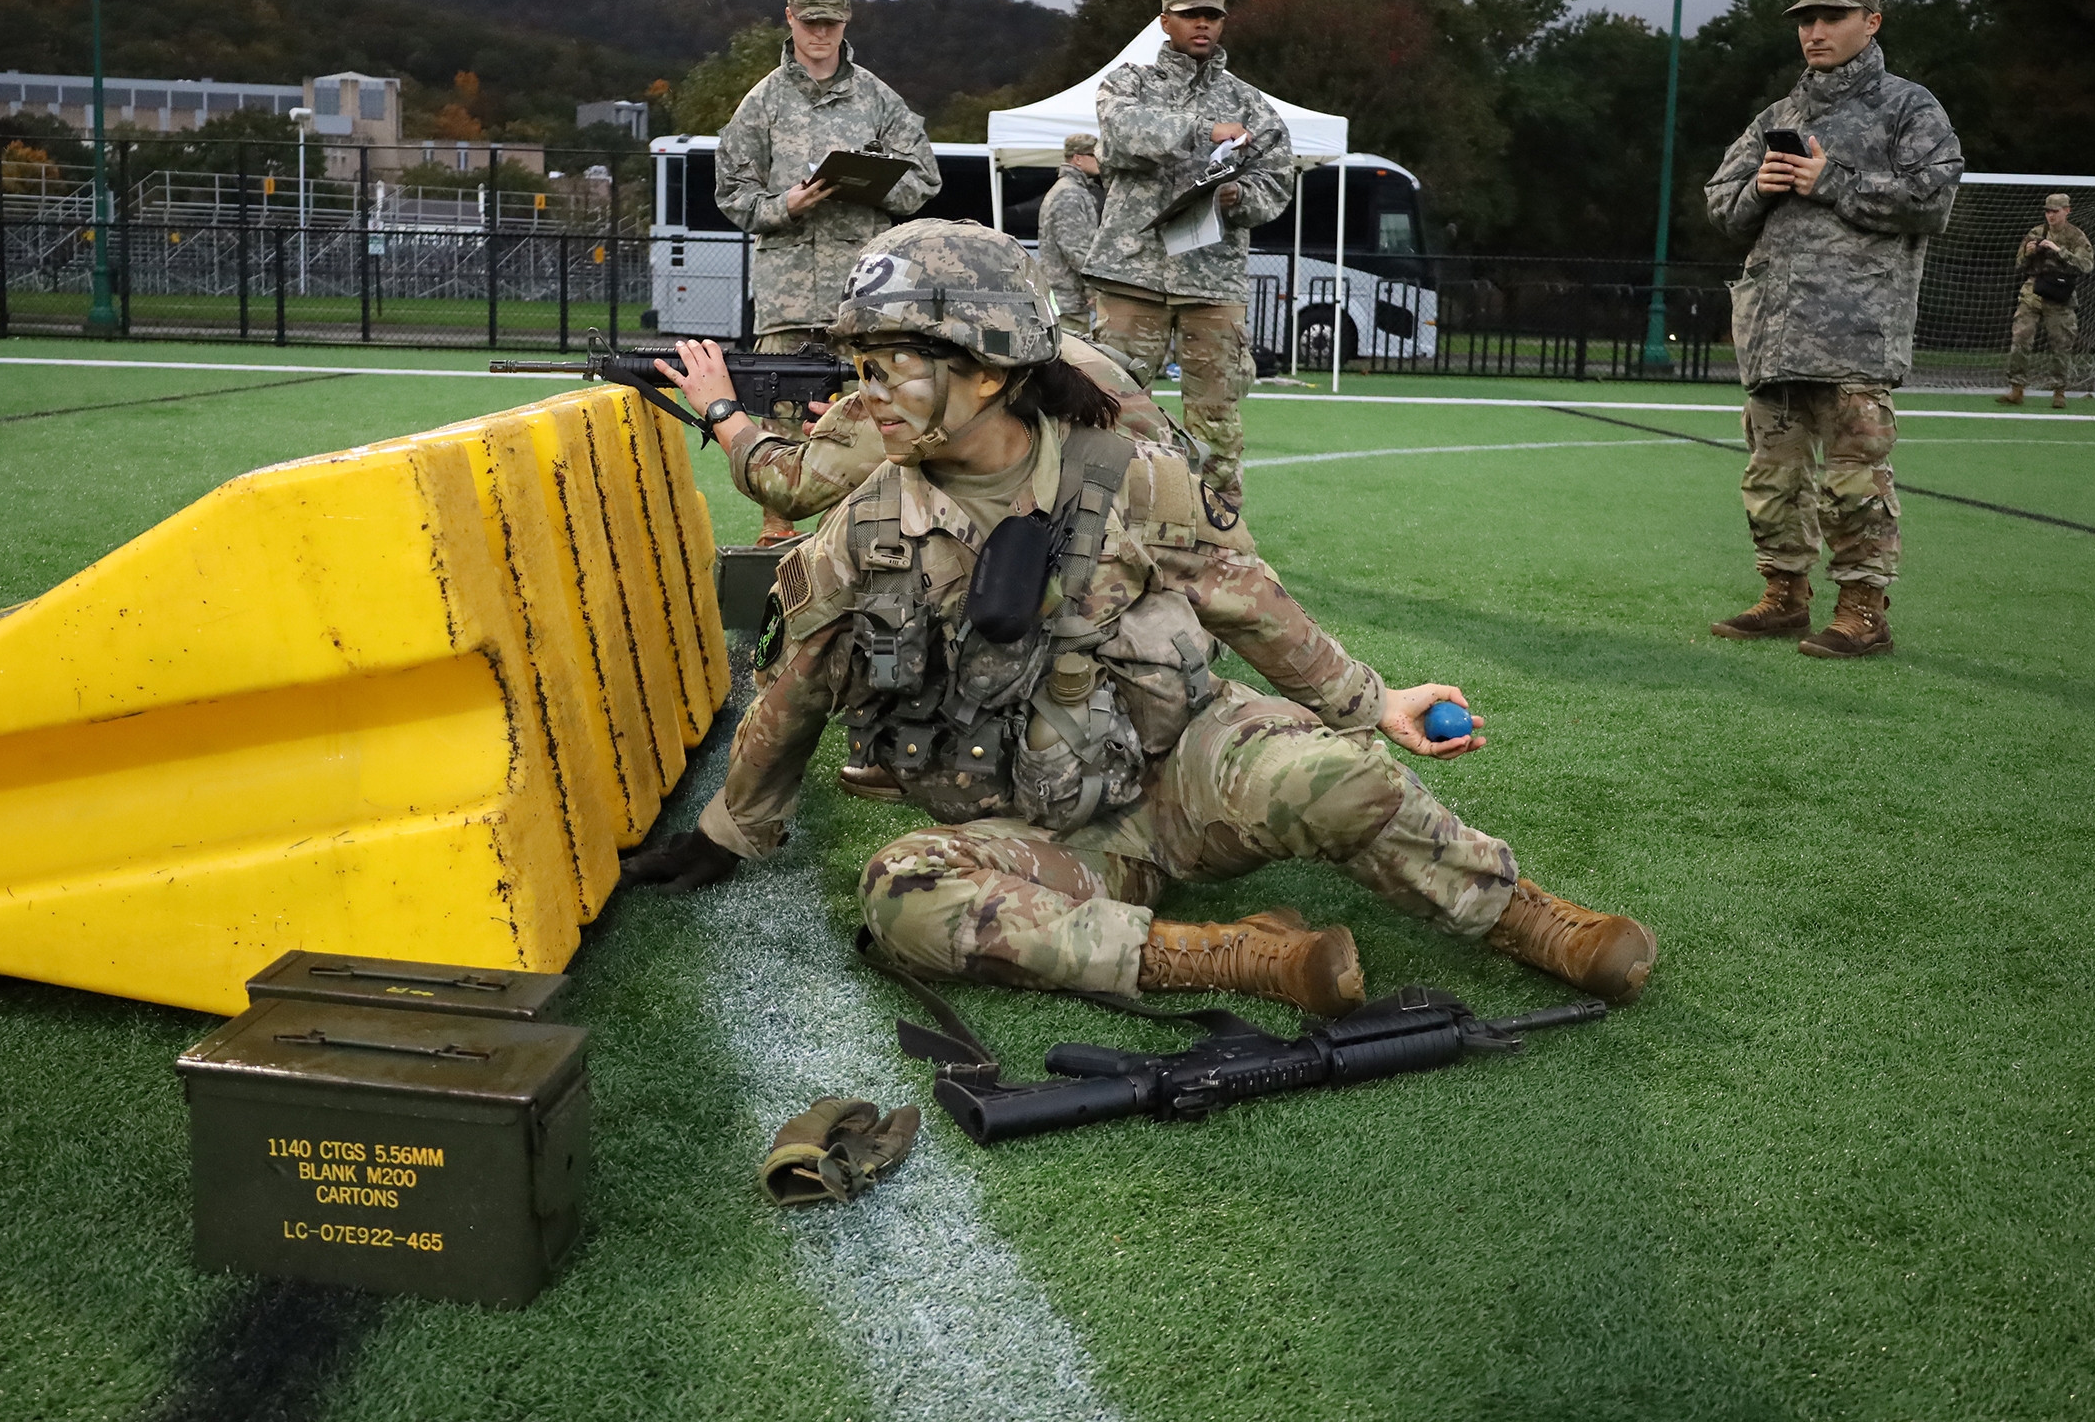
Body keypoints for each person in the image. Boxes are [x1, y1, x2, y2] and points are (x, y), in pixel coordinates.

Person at [621, 219, 1658, 1015]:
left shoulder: (1133, 479)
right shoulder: (864, 525)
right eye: (862, 364)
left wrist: (1371, 700)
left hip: (1184, 772)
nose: (864, 394)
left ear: (985, 367)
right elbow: (798, 681)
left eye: (891, 363)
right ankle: (1237, 955)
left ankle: (1524, 919)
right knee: (902, 892)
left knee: (1336, 779)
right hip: (1044, 831)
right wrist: (729, 829)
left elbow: (1252, 606)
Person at [1704, 0, 1963, 660]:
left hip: (1854, 333)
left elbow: (1933, 201)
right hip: (1774, 332)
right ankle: (1784, 598)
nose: (1814, 31)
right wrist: (1759, 186)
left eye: (1832, 17)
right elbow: (1720, 208)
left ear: (1871, 22)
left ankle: (1863, 611)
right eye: (1806, 20)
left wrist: (1832, 181)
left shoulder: (1910, 108)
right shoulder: (1778, 117)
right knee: (1771, 482)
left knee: (1853, 485)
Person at [716, 0, 941, 542]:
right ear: (789, 18)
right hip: (788, 299)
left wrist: (872, 183)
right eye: (809, 21)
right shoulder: (761, 103)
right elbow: (731, 193)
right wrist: (784, 204)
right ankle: (776, 540)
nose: (820, 33)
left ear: (847, 21)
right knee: (783, 422)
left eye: (831, 22)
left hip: (864, 296)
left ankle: (869, 537)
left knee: (876, 419)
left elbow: (924, 181)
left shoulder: (877, 99)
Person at [1080, 0, 1292, 517]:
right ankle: (1099, 524)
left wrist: (1238, 196)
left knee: (1216, 418)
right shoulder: (1128, 84)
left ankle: (1221, 537)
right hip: (1134, 275)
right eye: (1190, 13)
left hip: (1211, 281)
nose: (1203, 23)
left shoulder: (1252, 104)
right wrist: (1205, 132)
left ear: (1223, 21)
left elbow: (1278, 184)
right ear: (1164, 21)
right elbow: (1123, 135)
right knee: (1112, 407)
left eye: (1213, 15)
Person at [655, 330, 1179, 526]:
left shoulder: (930, 366)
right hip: (1146, 526)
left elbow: (789, 488)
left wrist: (721, 408)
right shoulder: (1041, 338)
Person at [2000, 193, 2095, 409]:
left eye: (2055, 211)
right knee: (2021, 337)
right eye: (2048, 211)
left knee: (2061, 343)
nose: (2050, 215)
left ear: (2067, 211)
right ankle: (2017, 389)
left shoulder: (2076, 236)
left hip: (2060, 294)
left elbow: (2086, 265)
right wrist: (2028, 253)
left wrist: (2058, 250)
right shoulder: (2036, 232)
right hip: (2033, 289)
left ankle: (2059, 391)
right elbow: (2019, 264)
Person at [1034, 134, 1106, 336]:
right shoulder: (1070, 193)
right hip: (1066, 300)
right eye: (1095, 154)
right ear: (1078, 158)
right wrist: (1094, 288)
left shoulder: (1071, 190)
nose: (1101, 160)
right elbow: (1075, 249)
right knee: (1070, 359)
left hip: (1065, 296)